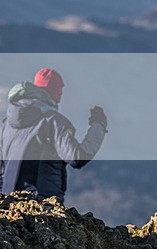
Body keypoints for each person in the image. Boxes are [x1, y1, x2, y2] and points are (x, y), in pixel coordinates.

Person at [0, 68, 108, 200]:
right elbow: (77, 157)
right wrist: (99, 126)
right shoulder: (54, 122)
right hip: (43, 203)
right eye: (60, 90)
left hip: (9, 203)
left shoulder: (6, 124)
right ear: (56, 92)